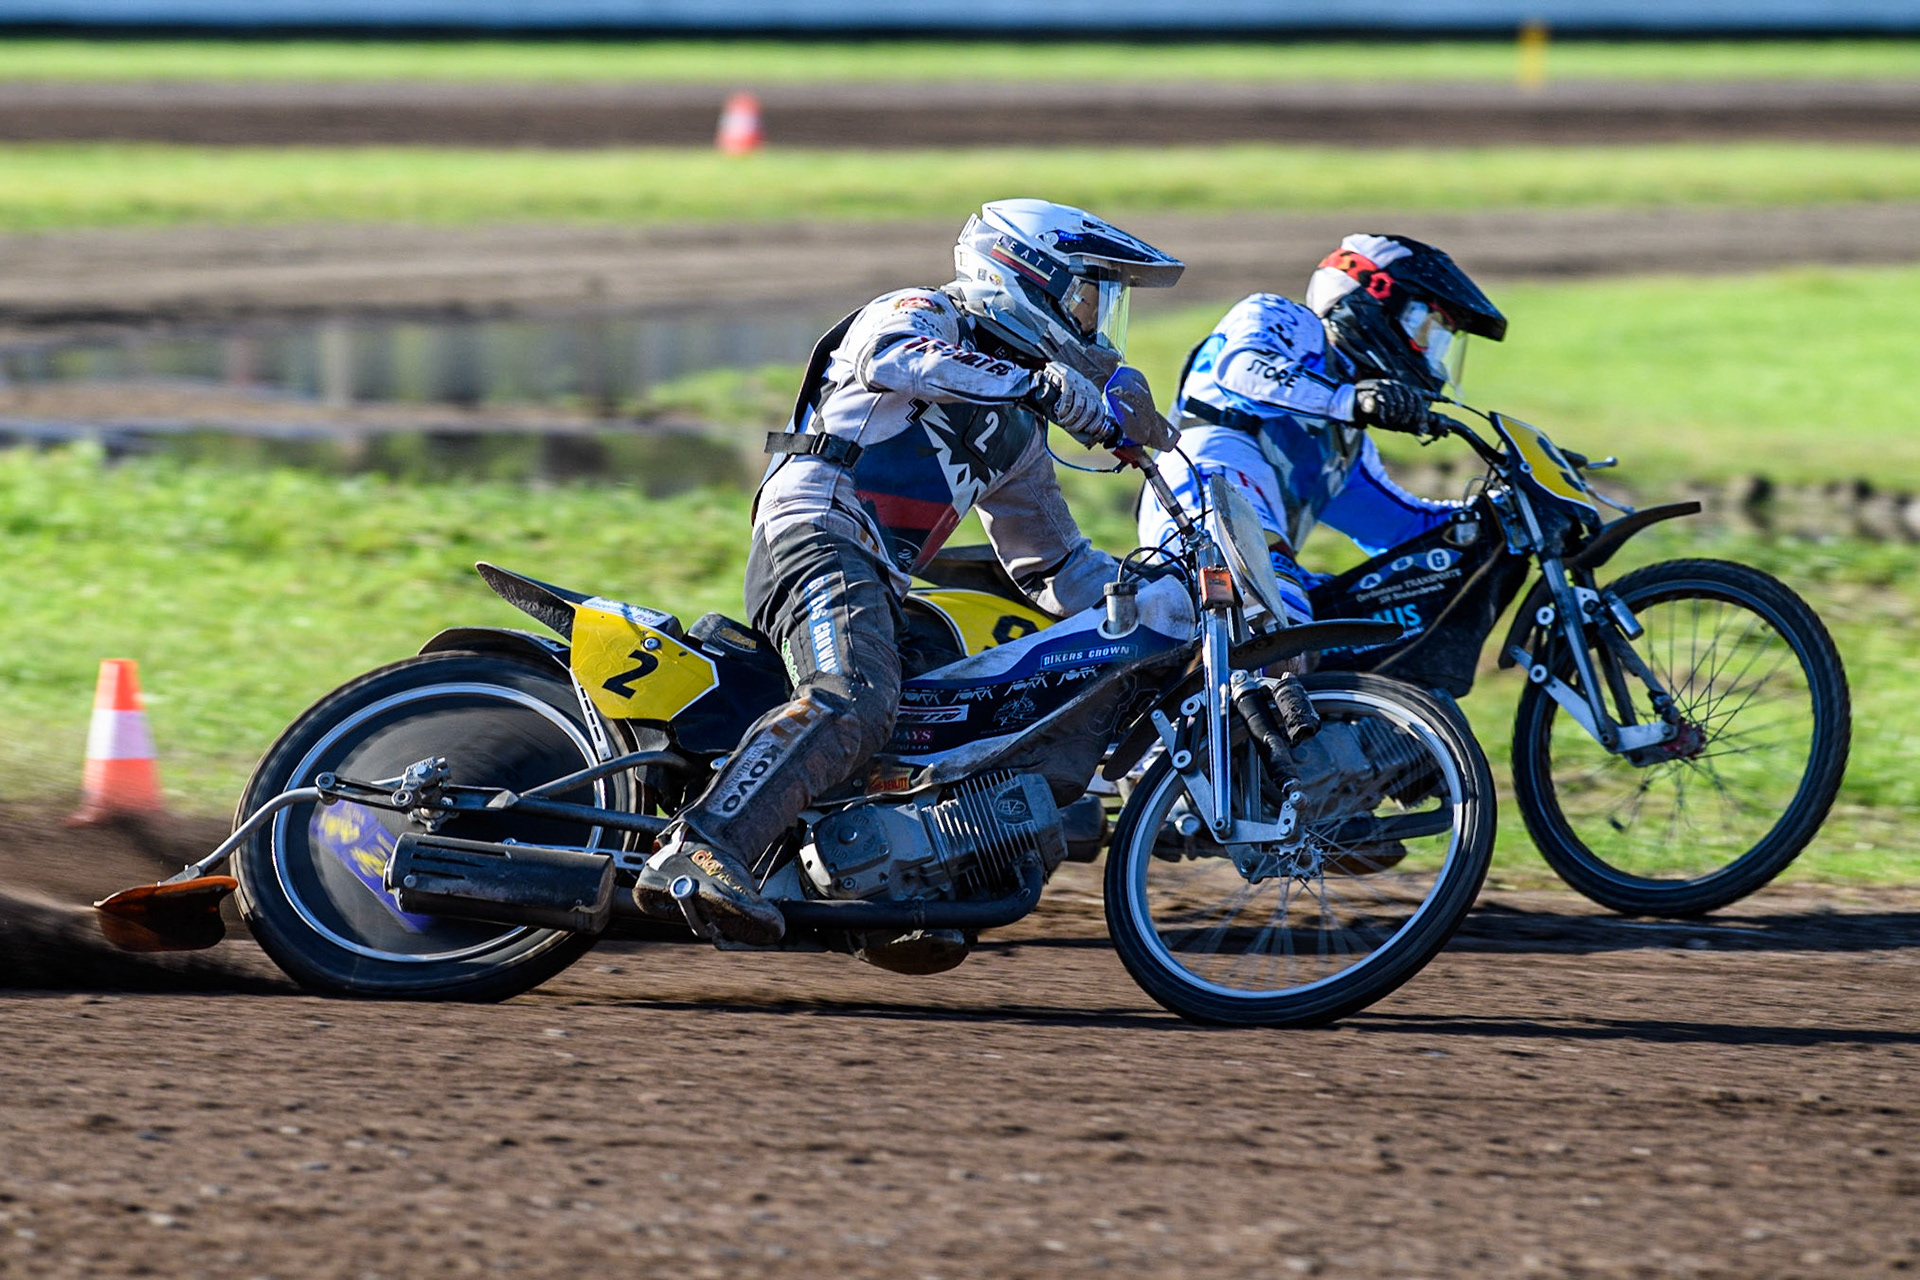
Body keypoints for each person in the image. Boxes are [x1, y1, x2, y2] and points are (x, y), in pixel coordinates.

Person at [636, 199, 1184, 945]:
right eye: (1089, 297)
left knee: (959, 723)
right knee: (854, 694)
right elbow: (891, 357)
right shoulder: (924, 313)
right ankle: (701, 848)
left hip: (882, 580)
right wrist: (1036, 385)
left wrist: (1153, 603)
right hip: (817, 527)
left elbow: (1053, 563)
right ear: (1026, 278)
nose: (1096, 325)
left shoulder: (1017, 437)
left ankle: (892, 892)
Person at [1138, 233, 1507, 624]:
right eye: (1427, 329)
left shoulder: (1345, 444)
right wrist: (1351, 400)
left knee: (1375, 624)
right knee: (1286, 630)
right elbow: (1240, 369)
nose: (1433, 357)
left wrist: (1501, 512)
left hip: (1255, 543)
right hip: (1205, 502)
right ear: (1373, 299)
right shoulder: (1284, 319)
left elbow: (1406, 529)